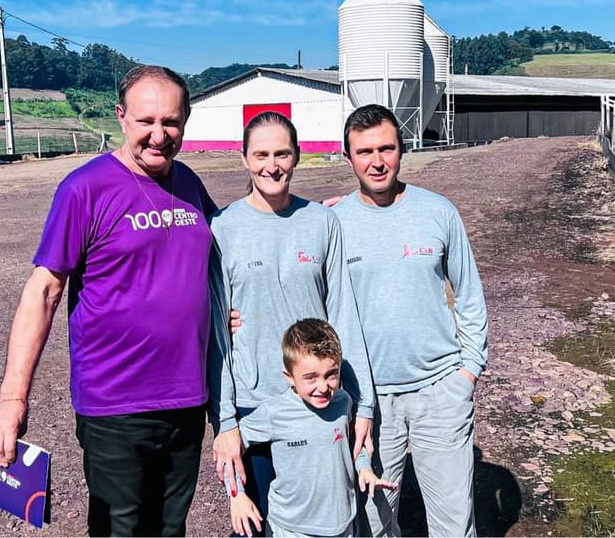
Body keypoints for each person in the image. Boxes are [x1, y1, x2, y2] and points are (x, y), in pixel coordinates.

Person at [0, 65, 218, 536]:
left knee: (171, 528)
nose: (159, 134)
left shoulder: (189, 184)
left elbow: (229, 243)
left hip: (187, 396)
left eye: (170, 121)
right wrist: (12, 398)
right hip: (116, 403)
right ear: (121, 117)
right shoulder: (84, 189)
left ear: (186, 121)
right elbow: (44, 291)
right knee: (121, 529)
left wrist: (300, 213)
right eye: (146, 121)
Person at [208, 111, 376, 535]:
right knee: (259, 521)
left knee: (319, 517)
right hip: (255, 400)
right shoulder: (223, 230)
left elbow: (343, 314)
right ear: (244, 159)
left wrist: (364, 403)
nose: (272, 165)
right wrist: (225, 421)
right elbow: (217, 338)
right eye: (261, 154)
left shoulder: (322, 222)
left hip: (317, 397)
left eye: (282, 153)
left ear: (297, 156)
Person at [332, 104, 489, 537]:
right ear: (348, 158)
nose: (376, 161)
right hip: (369, 402)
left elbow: (470, 295)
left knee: (454, 523)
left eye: (386, 148)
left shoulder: (438, 212)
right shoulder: (334, 223)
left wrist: (468, 373)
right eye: (364, 152)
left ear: (403, 149)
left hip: (440, 391)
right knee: (375, 523)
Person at [227, 319, 396, 538]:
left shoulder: (344, 402)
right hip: (291, 530)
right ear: (289, 377)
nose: (323, 387)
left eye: (331, 374)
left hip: (344, 525)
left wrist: (364, 468)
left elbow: (353, 442)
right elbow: (229, 451)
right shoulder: (273, 412)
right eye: (310, 378)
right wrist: (236, 495)